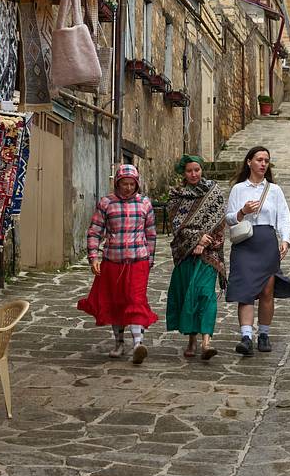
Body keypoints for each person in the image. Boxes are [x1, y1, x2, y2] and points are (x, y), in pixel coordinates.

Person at [77, 164, 159, 364]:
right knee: (116, 302)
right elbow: (95, 231)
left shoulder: (145, 204)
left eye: (132, 184)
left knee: (135, 300)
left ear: (137, 184)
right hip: (112, 261)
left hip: (138, 260)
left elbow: (151, 234)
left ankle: (138, 344)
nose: (128, 188)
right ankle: (119, 342)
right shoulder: (107, 203)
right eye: (124, 184)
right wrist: (93, 257)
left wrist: (150, 259)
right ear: (117, 183)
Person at [224, 146, 290, 356]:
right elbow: (229, 219)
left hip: (266, 242)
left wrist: (285, 240)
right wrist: (242, 211)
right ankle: (246, 336)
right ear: (249, 162)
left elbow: (284, 217)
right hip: (245, 243)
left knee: (267, 290)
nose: (263, 164)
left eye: (266, 160)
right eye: (259, 159)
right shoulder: (238, 189)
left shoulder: (274, 190)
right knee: (245, 290)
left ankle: (264, 334)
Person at [165, 154, 227, 360]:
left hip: (209, 254)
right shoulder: (176, 196)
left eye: (197, 170)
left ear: (202, 170)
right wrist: (196, 241)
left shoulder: (214, 192)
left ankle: (206, 342)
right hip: (185, 253)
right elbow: (177, 225)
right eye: (190, 171)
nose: (194, 174)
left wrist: (205, 242)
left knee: (205, 294)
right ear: (183, 173)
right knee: (188, 294)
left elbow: (219, 222)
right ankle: (191, 339)